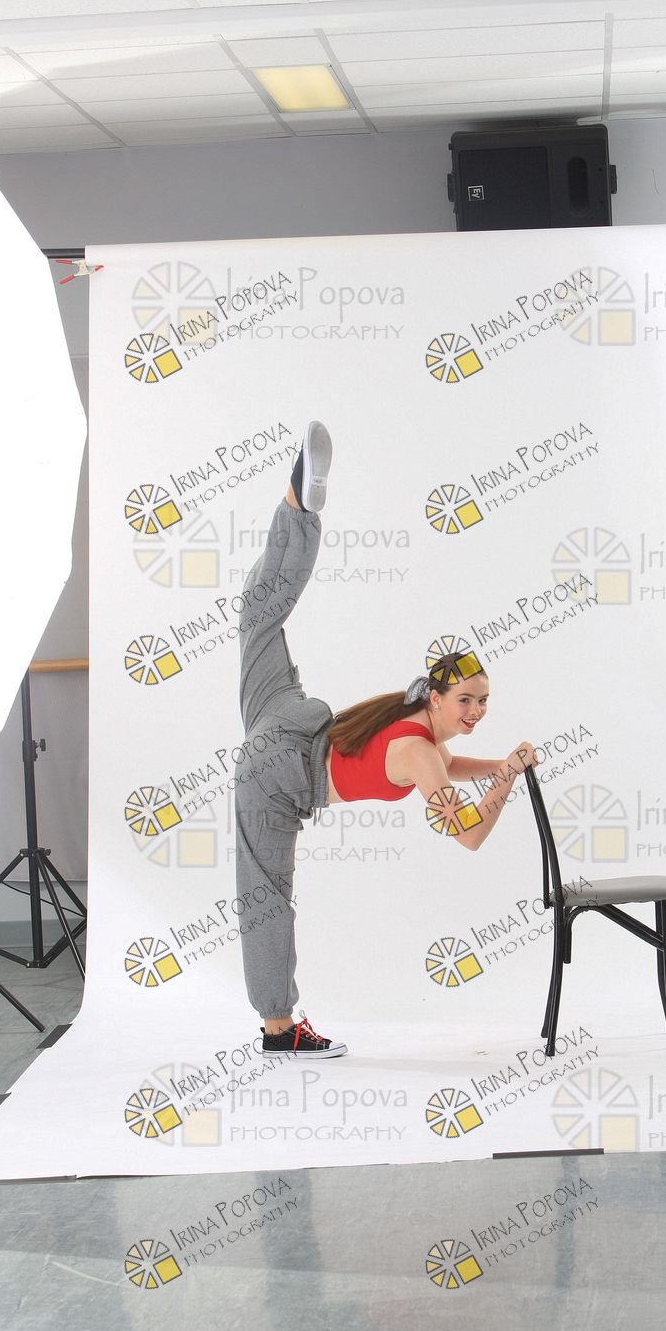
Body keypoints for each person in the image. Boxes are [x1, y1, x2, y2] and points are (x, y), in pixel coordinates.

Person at [234, 421, 538, 1060]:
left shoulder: (415, 727)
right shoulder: (421, 751)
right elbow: (469, 836)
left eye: (483, 701)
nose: (477, 711)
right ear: (438, 699)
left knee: (259, 616)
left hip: (290, 716)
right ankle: (279, 1031)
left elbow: (449, 766)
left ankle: (297, 509)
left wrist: (497, 764)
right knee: (266, 897)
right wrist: (507, 777)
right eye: (466, 700)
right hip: (279, 775)